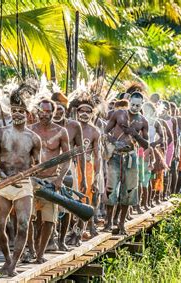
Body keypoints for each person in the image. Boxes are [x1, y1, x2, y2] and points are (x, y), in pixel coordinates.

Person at [0, 90, 41, 276]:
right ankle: (7, 259)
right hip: (3, 183)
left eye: (21, 111)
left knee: (24, 224)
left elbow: (38, 165)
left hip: (24, 184)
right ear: (10, 112)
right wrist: (2, 176)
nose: (17, 113)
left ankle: (14, 263)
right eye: (14, 110)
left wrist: (29, 173)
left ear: (28, 114)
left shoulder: (34, 138)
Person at [30, 98, 70, 263]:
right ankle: (30, 249)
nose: (45, 114)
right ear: (37, 111)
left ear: (54, 113)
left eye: (48, 112)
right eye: (42, 111)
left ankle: (40, 254)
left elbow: (67, 158)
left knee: (49, 219)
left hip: (51, 180)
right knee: (28, 219)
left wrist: (60, 178)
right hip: (32, 179)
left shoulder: (61, 131)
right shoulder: (30, 131)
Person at [104, 92, 149, 234]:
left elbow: (146, 145)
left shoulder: (143, 121)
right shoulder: (118, 114)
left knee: (129, 190)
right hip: (115, 156)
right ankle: (108, 222)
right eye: (133, 104)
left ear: (142, 105)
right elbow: (105, 132)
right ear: (129, 101)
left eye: (138, 105)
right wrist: (112, 141)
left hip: (130, 157)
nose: (135, 107)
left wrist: (134, 133)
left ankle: (121, 224)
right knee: (111, 189)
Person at [51, 96, 87, 250]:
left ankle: (61, 240)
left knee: (67, 204)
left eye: (61, 108)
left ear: (65, 109)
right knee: (48, 204)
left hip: (68, 168)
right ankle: (50, 239)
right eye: (55, 108)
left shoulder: (73, 126)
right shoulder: (43, 126)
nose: (58, 111)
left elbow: (81, 151)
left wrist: (83, 175)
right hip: (49, 167)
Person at [68, 91, 101, 241]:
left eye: (88, 111)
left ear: (93, 113)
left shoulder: (95, 132)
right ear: (77, 111)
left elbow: (97, 155)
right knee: (68, 199)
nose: (85, 114)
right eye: (82, 110)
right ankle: (69, 232)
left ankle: (79, 232)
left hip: (87, 168)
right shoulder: (69, 127)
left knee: (84, 199)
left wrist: (97, 176)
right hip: (69, 166)